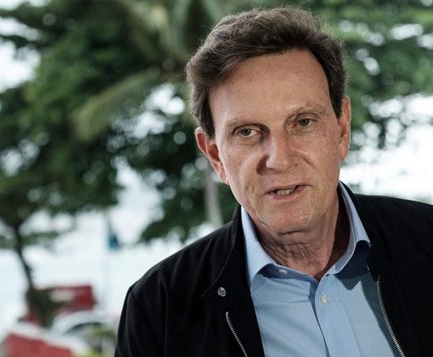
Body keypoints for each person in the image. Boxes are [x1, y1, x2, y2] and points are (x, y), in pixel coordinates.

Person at [116, 8, 433, 357]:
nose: (279, 160)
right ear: (215, 156)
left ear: (342, 129)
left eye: (303, 122)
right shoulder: (157, 310)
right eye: (247, 132)